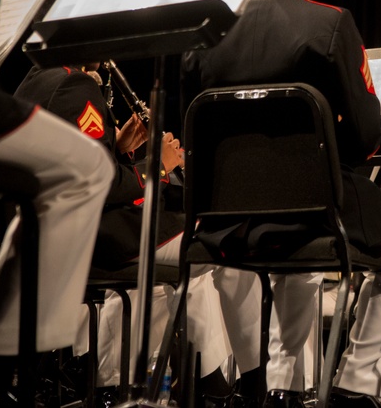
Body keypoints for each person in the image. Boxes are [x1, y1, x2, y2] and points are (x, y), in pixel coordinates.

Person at [181, 0, 381, 408]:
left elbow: (190, 132)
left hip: (220, 214)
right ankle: (357, 385)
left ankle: (281, 388)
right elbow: (365, 136)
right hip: (315, 201)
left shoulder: (204, 33)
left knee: (296, 261)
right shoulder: (330, 22)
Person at [12, 57, 234, 404]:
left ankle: (144, 375)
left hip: (49, 232)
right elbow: (97, 181)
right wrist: (158, 166)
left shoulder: (36, 79)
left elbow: (70, 163)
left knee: (179, 269)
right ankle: (214, 381)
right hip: (90, 238)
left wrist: (119, 146)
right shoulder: (76, 85)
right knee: (207, 245)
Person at [0, 0, 113, 401]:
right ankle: (14, 359)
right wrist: (153, 171)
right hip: (104, 232)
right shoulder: (72, 82)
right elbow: (109, 174)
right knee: (87, 170)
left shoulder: (35, 77)